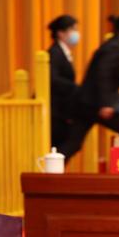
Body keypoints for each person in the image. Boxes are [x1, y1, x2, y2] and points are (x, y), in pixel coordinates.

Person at [56, 13, 119, 160]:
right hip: (94, 104)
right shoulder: (113, 48)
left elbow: (110, 84)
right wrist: (106, 104)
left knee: (73, 143)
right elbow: (103, 76)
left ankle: (50, 168)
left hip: (88, 103)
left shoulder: (114, 46)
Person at [46, 15, 79, 150]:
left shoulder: (64, 52)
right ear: (60, 33)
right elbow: (53, 79)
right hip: (55, 111)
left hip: (61, 109)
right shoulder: (55, 52)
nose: (76, 33)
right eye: (73, 29)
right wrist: (76, 88)